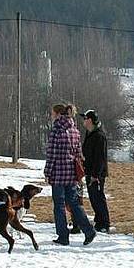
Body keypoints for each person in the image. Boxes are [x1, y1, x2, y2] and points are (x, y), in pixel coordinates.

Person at [45, 103, 96, 246]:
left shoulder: (56, 130)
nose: (51, 116)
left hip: (58, 173)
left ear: (58, 114)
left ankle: (63, 236)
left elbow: (51, 154)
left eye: (52, 113)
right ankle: (88, 230)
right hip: (72, 174)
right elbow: (79, 153)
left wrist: (47, 172)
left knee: (59, 206)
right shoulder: (75, 130)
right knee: (74, 203)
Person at [81, 109, 111, 233]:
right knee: (93, 198)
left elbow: (100, 157)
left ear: (90, 120)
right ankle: (99, 221)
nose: (83, 121)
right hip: (90, 171)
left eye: (85, 118)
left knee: (98, 197)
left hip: (97, 174)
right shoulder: (90, 134)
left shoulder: (99, 136)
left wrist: (95, 175)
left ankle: (104, 223)